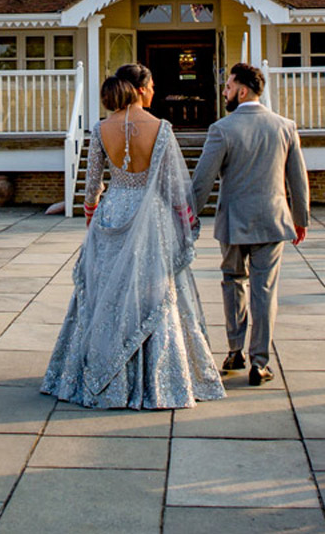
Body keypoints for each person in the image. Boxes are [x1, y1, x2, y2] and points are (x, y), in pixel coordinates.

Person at [42, 63, 225, 409]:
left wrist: (91, 214)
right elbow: (173, 186)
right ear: (140, 88)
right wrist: (186, 218)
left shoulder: (100, 128)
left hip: (112, 212)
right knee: (152, 291)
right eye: (152, 84)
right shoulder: (162, 128)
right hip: (149, 215)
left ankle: (100, 372)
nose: (154, 90)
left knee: (107, 294)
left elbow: (92, 184)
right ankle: (158, 377)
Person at [189, 62, 310, 386]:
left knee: (233, 283)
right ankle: (260, 362)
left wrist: (189, 214)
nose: (225, 91)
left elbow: (203, 180)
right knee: (265, 291)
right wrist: (301, 219)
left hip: (233, 221)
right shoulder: (284, 126)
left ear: (243, 90)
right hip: (272, 220)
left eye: (228, 86)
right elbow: (298, 179)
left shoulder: (222, 129)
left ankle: (234, 351)